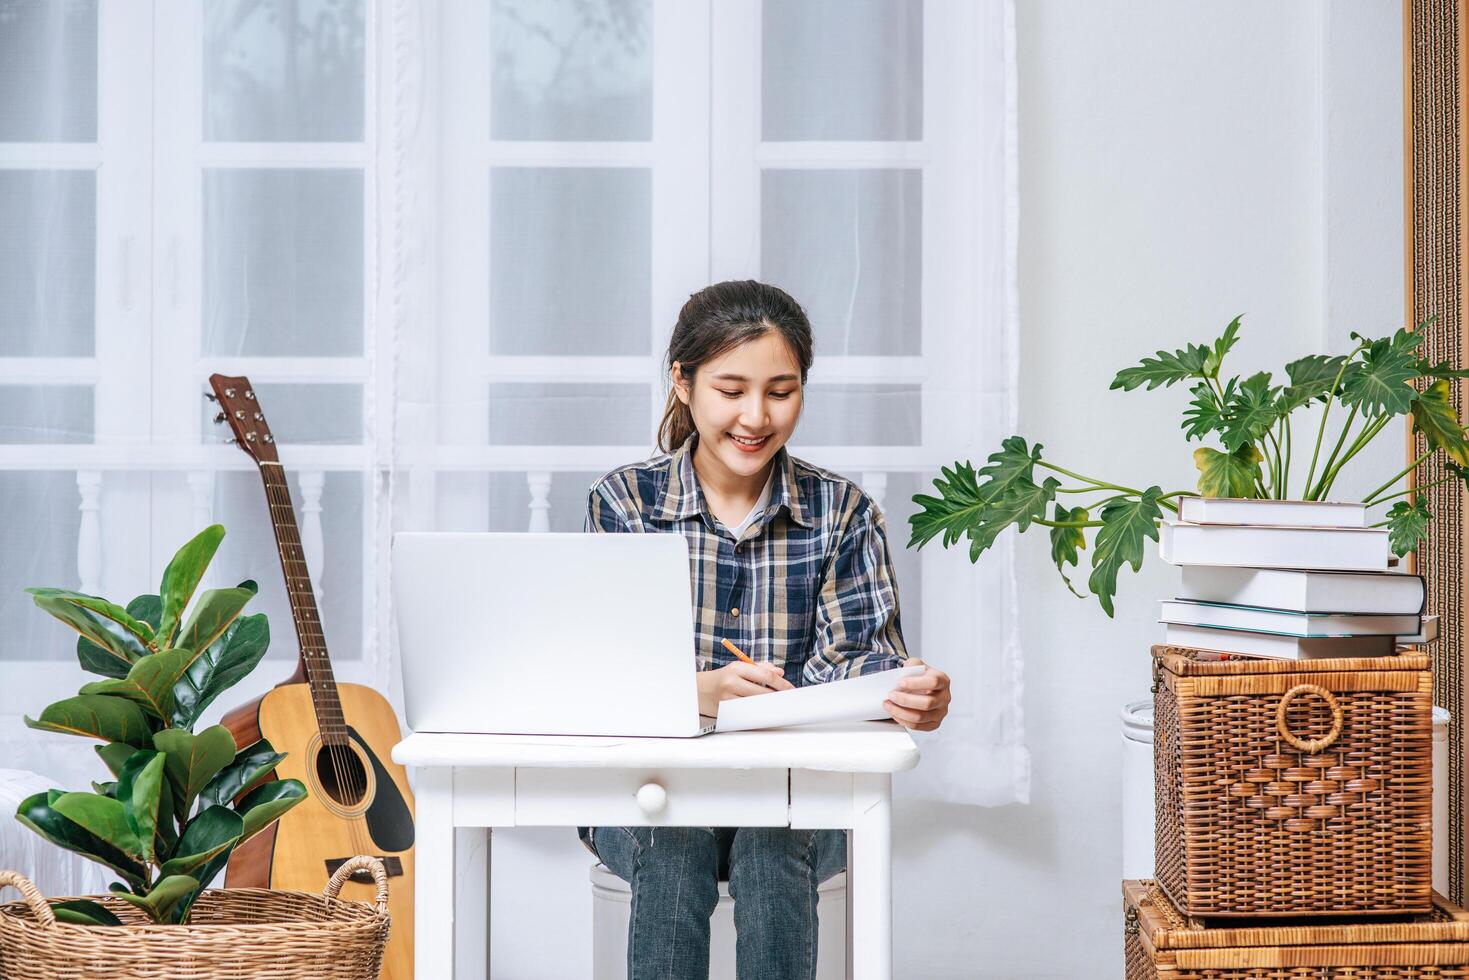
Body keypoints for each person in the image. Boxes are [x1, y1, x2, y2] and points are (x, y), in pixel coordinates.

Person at [578, 280, 952, 980]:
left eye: (780, 391)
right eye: (730, 389)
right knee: (674, 845)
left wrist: (903, 690)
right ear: (682, 383)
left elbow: (863, 661)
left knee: (770, 847)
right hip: (648, 793)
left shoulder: (841, 512)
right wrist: (699, 691)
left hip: (797, 792)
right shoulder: (625, 504)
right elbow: (601, 678)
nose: (755, 416)